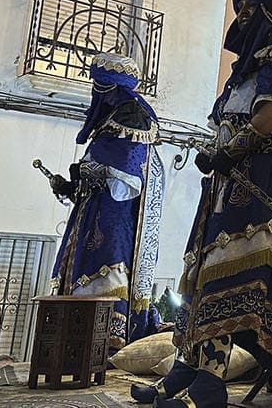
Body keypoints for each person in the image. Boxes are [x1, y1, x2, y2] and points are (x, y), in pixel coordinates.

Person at [135, 0, 272, 408]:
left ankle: (210, 385)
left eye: (248, 9)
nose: (241, 18)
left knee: (238, 276)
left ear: (265, 11)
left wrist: (232, 150)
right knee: (203, 278)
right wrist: (216, 152)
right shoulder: (245, 68)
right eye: (238, 9)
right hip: (229, 185)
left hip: (263, 188)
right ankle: (185, 372)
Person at [45, 50, 160, 347]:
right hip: (92, 211)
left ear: (108, 86)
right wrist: (72, 186)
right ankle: (78, 341)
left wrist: (87, 171)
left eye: (98, 84)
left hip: (114, 216)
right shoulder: (110, 119)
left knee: (108, 267)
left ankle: (108, 339)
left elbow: (127, 175)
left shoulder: (132, 116)